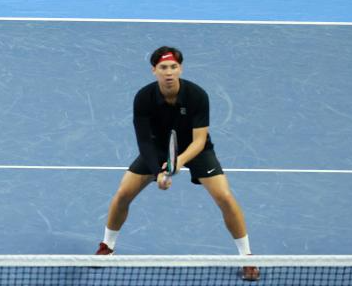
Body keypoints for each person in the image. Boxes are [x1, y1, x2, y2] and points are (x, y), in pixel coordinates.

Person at [96, 46, 259, 282]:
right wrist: (158, 171)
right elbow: (144, 141)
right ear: (154, 70)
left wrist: (177, 162)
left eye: (173, 67)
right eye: (163, 67)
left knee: (225, 197)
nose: (169, 72)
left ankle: (246, 256)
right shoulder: (143, 98)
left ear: (180, 68)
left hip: (195, 149)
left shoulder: (197, 95)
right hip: (157, 149)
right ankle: (106, 247)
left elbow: (199, 140)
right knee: (123, 194)